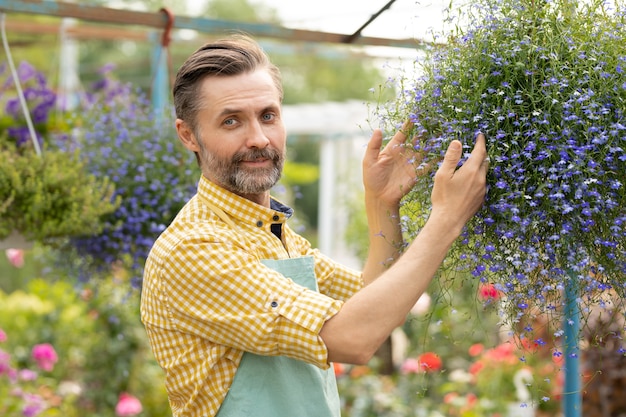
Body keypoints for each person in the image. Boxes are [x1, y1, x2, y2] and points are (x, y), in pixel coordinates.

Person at [140, 34, 488, 417]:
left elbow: (376, 304)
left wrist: (382, 203)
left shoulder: (274, 233)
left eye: (268, 116)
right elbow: (354, 338)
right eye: (231, 121)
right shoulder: (193, 249)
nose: (258, 138)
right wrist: (446, 220)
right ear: (188, 134)